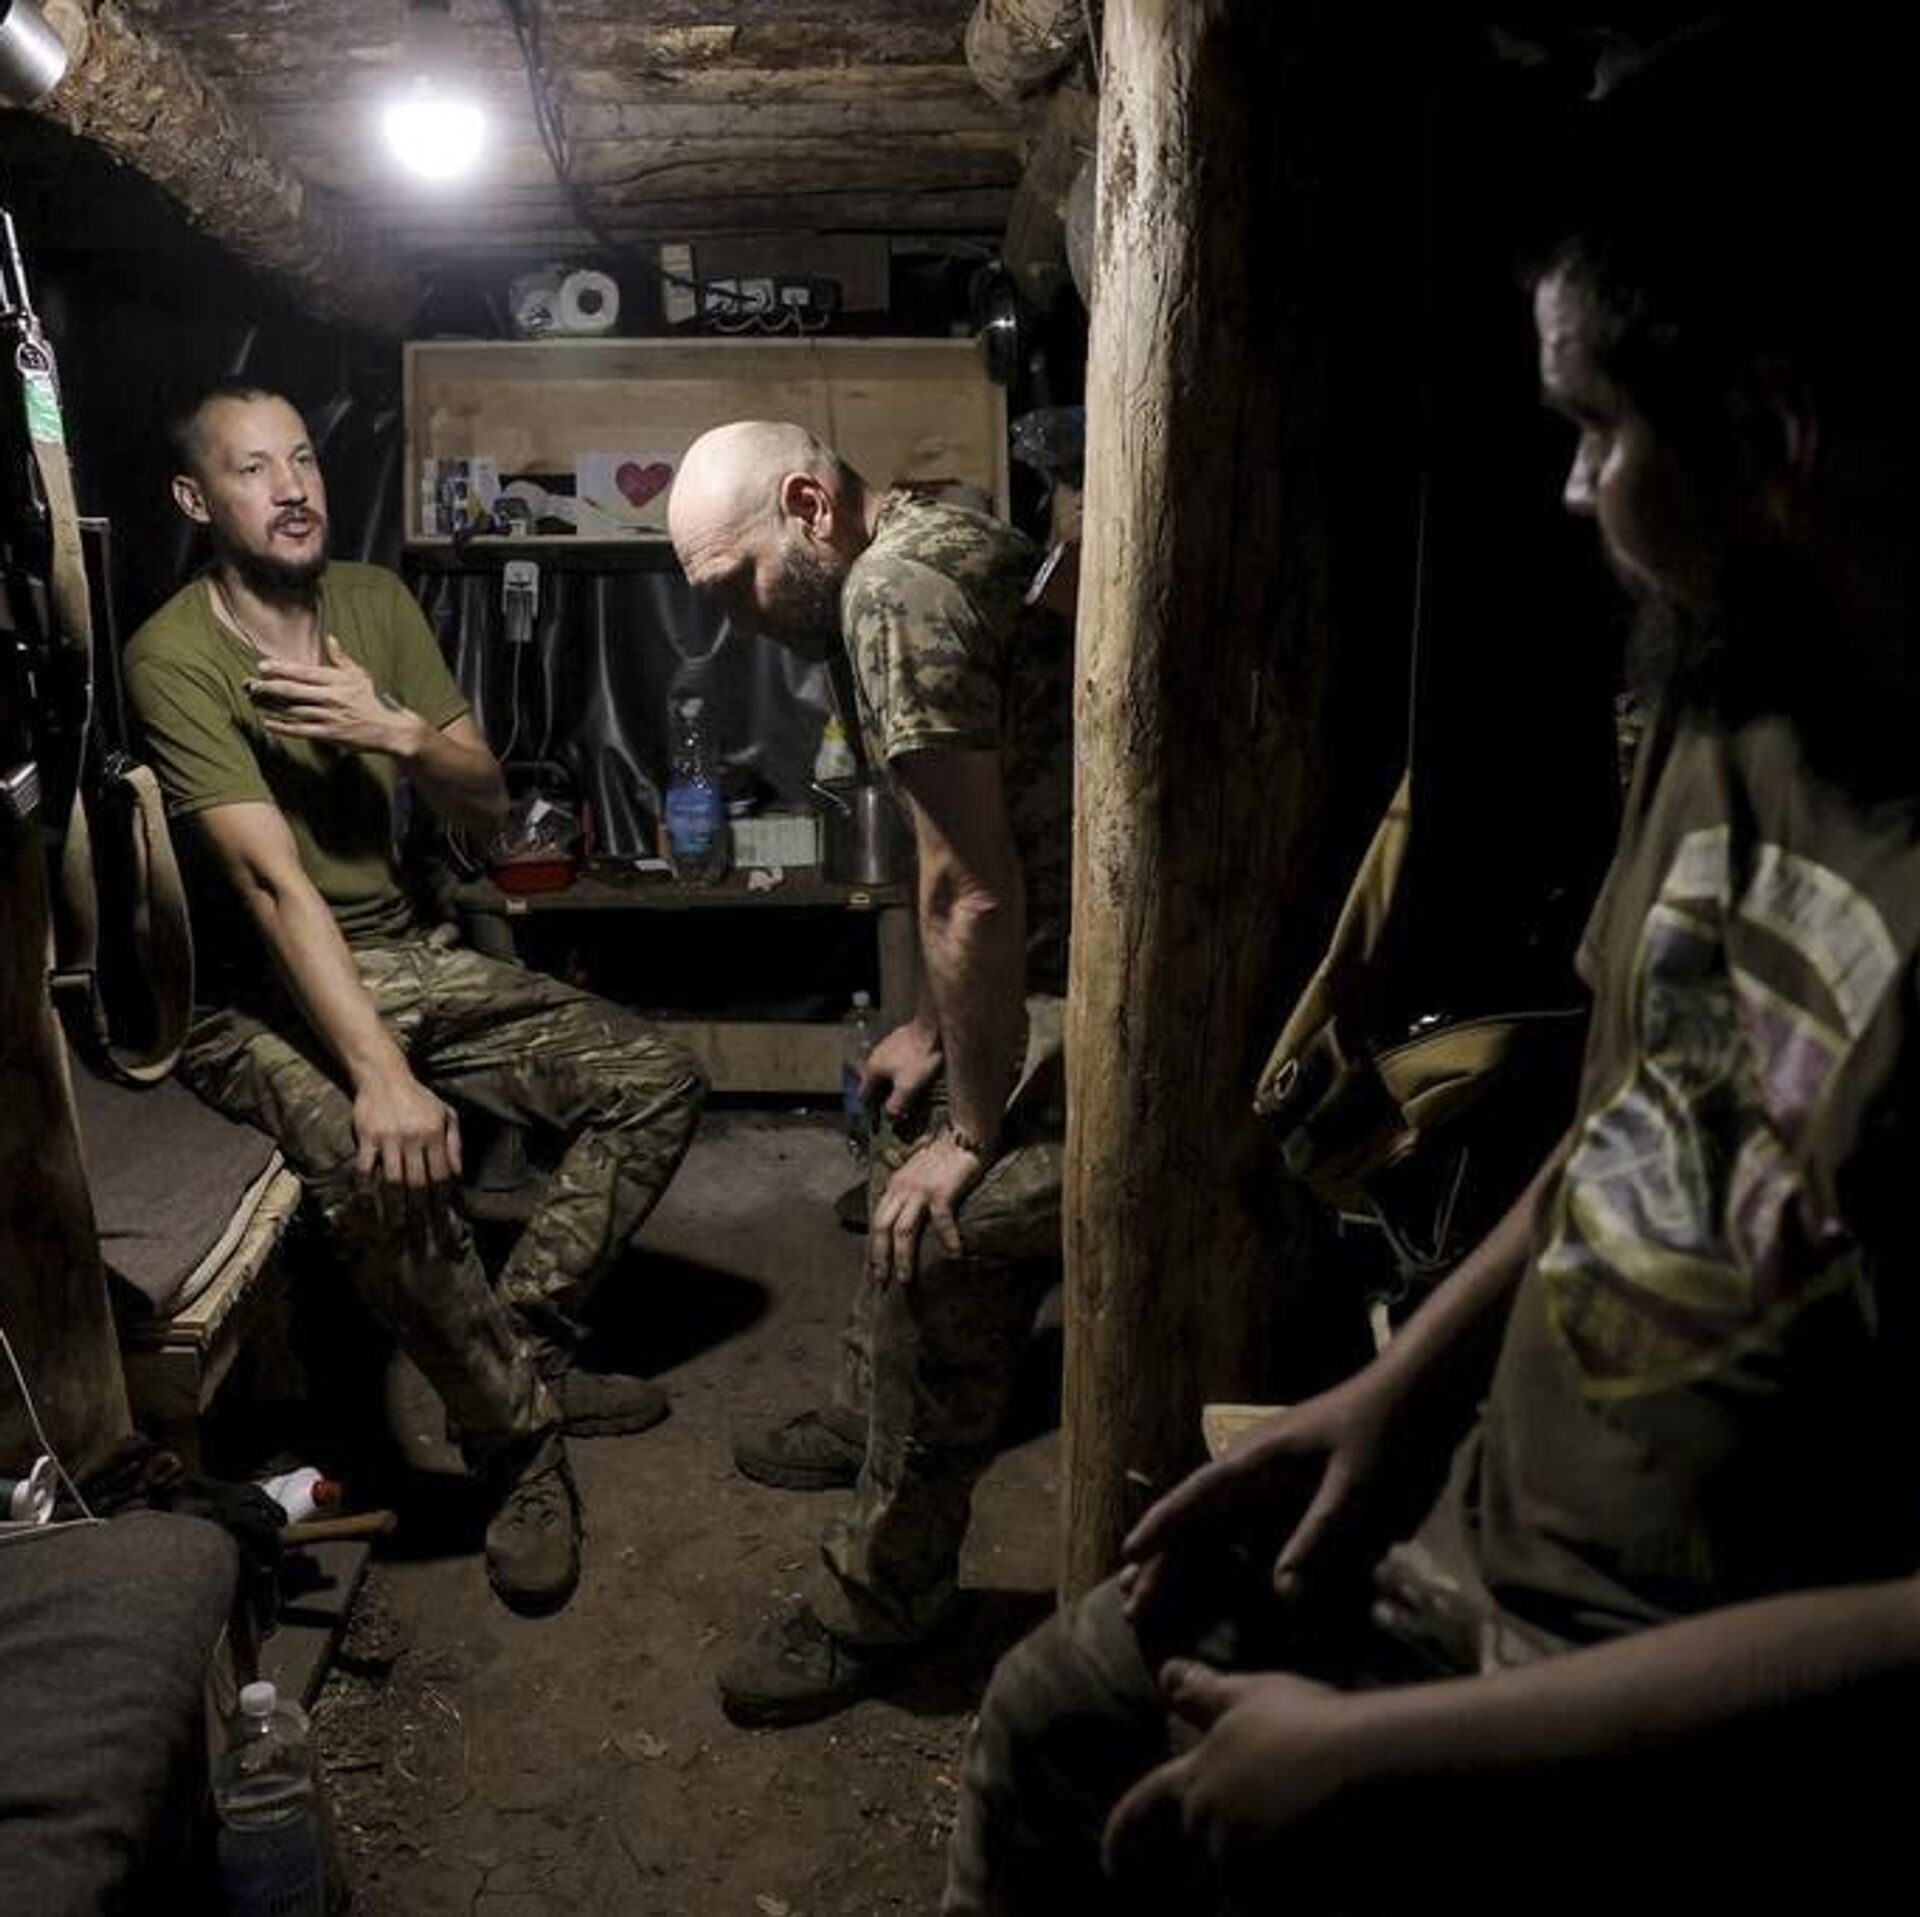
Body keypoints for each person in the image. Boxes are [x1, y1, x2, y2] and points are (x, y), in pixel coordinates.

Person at [945, 17, 1920, 1911]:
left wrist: (1388, 1757)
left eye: (1599, 430)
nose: (1572, 488)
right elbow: (1649, 1115)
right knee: (1057, 1717)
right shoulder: (1732, 687)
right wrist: (1389, 1406)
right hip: (1487, 1535)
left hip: (1701, 1709)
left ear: (1772, 427)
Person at [123, 381, 706, 1616]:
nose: (292, 489)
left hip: (398, 949)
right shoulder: (173, 656)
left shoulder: (374, 604)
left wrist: (396, 731)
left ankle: (521, 1352)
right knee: (375, 1159)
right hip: (245, 999)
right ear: (195, 498)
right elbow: (272, 888)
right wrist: (384, 1078)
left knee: (655, 1080)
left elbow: (484, 798)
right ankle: (520, 1452)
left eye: (301, 459)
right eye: (250, 469)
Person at [668, 424, 1073, 1723]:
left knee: (947, 1219)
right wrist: (933, 1033)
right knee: (900, 1111)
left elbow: (970, 892)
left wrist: (974, 1129)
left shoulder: (893, 587)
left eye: (734, 581)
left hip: (1108, 976)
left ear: (807, 503)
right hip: (1053, 949)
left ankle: (883, 1593)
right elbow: (975, 822)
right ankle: (869, 1408)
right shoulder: (924, 538)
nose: (733, 620)